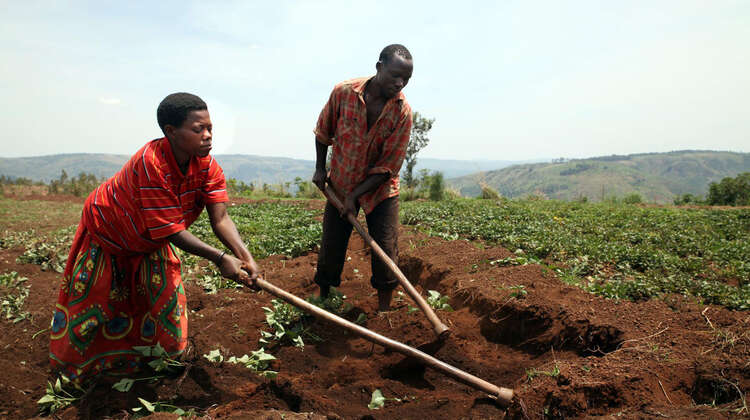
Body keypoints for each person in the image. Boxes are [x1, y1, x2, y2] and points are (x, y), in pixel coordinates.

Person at [49, 92, 260, 382]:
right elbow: (173, 230)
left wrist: (246, 259)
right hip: (109, 233)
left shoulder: (207, 166)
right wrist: (221, 258)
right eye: (198, 129)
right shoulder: (152, 163)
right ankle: (79, 373)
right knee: (97, 305)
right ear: (171, 131)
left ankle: (161, 362)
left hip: (151, 239)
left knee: (164, 303)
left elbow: (220, 218)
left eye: (210, 128)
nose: (208, 136)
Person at [312, 44, 414, 312]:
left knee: (385, 245)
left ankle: (384, 310)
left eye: (406, 78)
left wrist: (355, 196)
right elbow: (323, 132)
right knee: (332, 242)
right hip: (341, 181)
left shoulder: (402, 111)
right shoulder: (344, 92)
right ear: (379, 67)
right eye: (395, 75)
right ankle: (324, 296)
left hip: (380, 189)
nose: (400, 83)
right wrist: (321, 169)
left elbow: (389, 165)